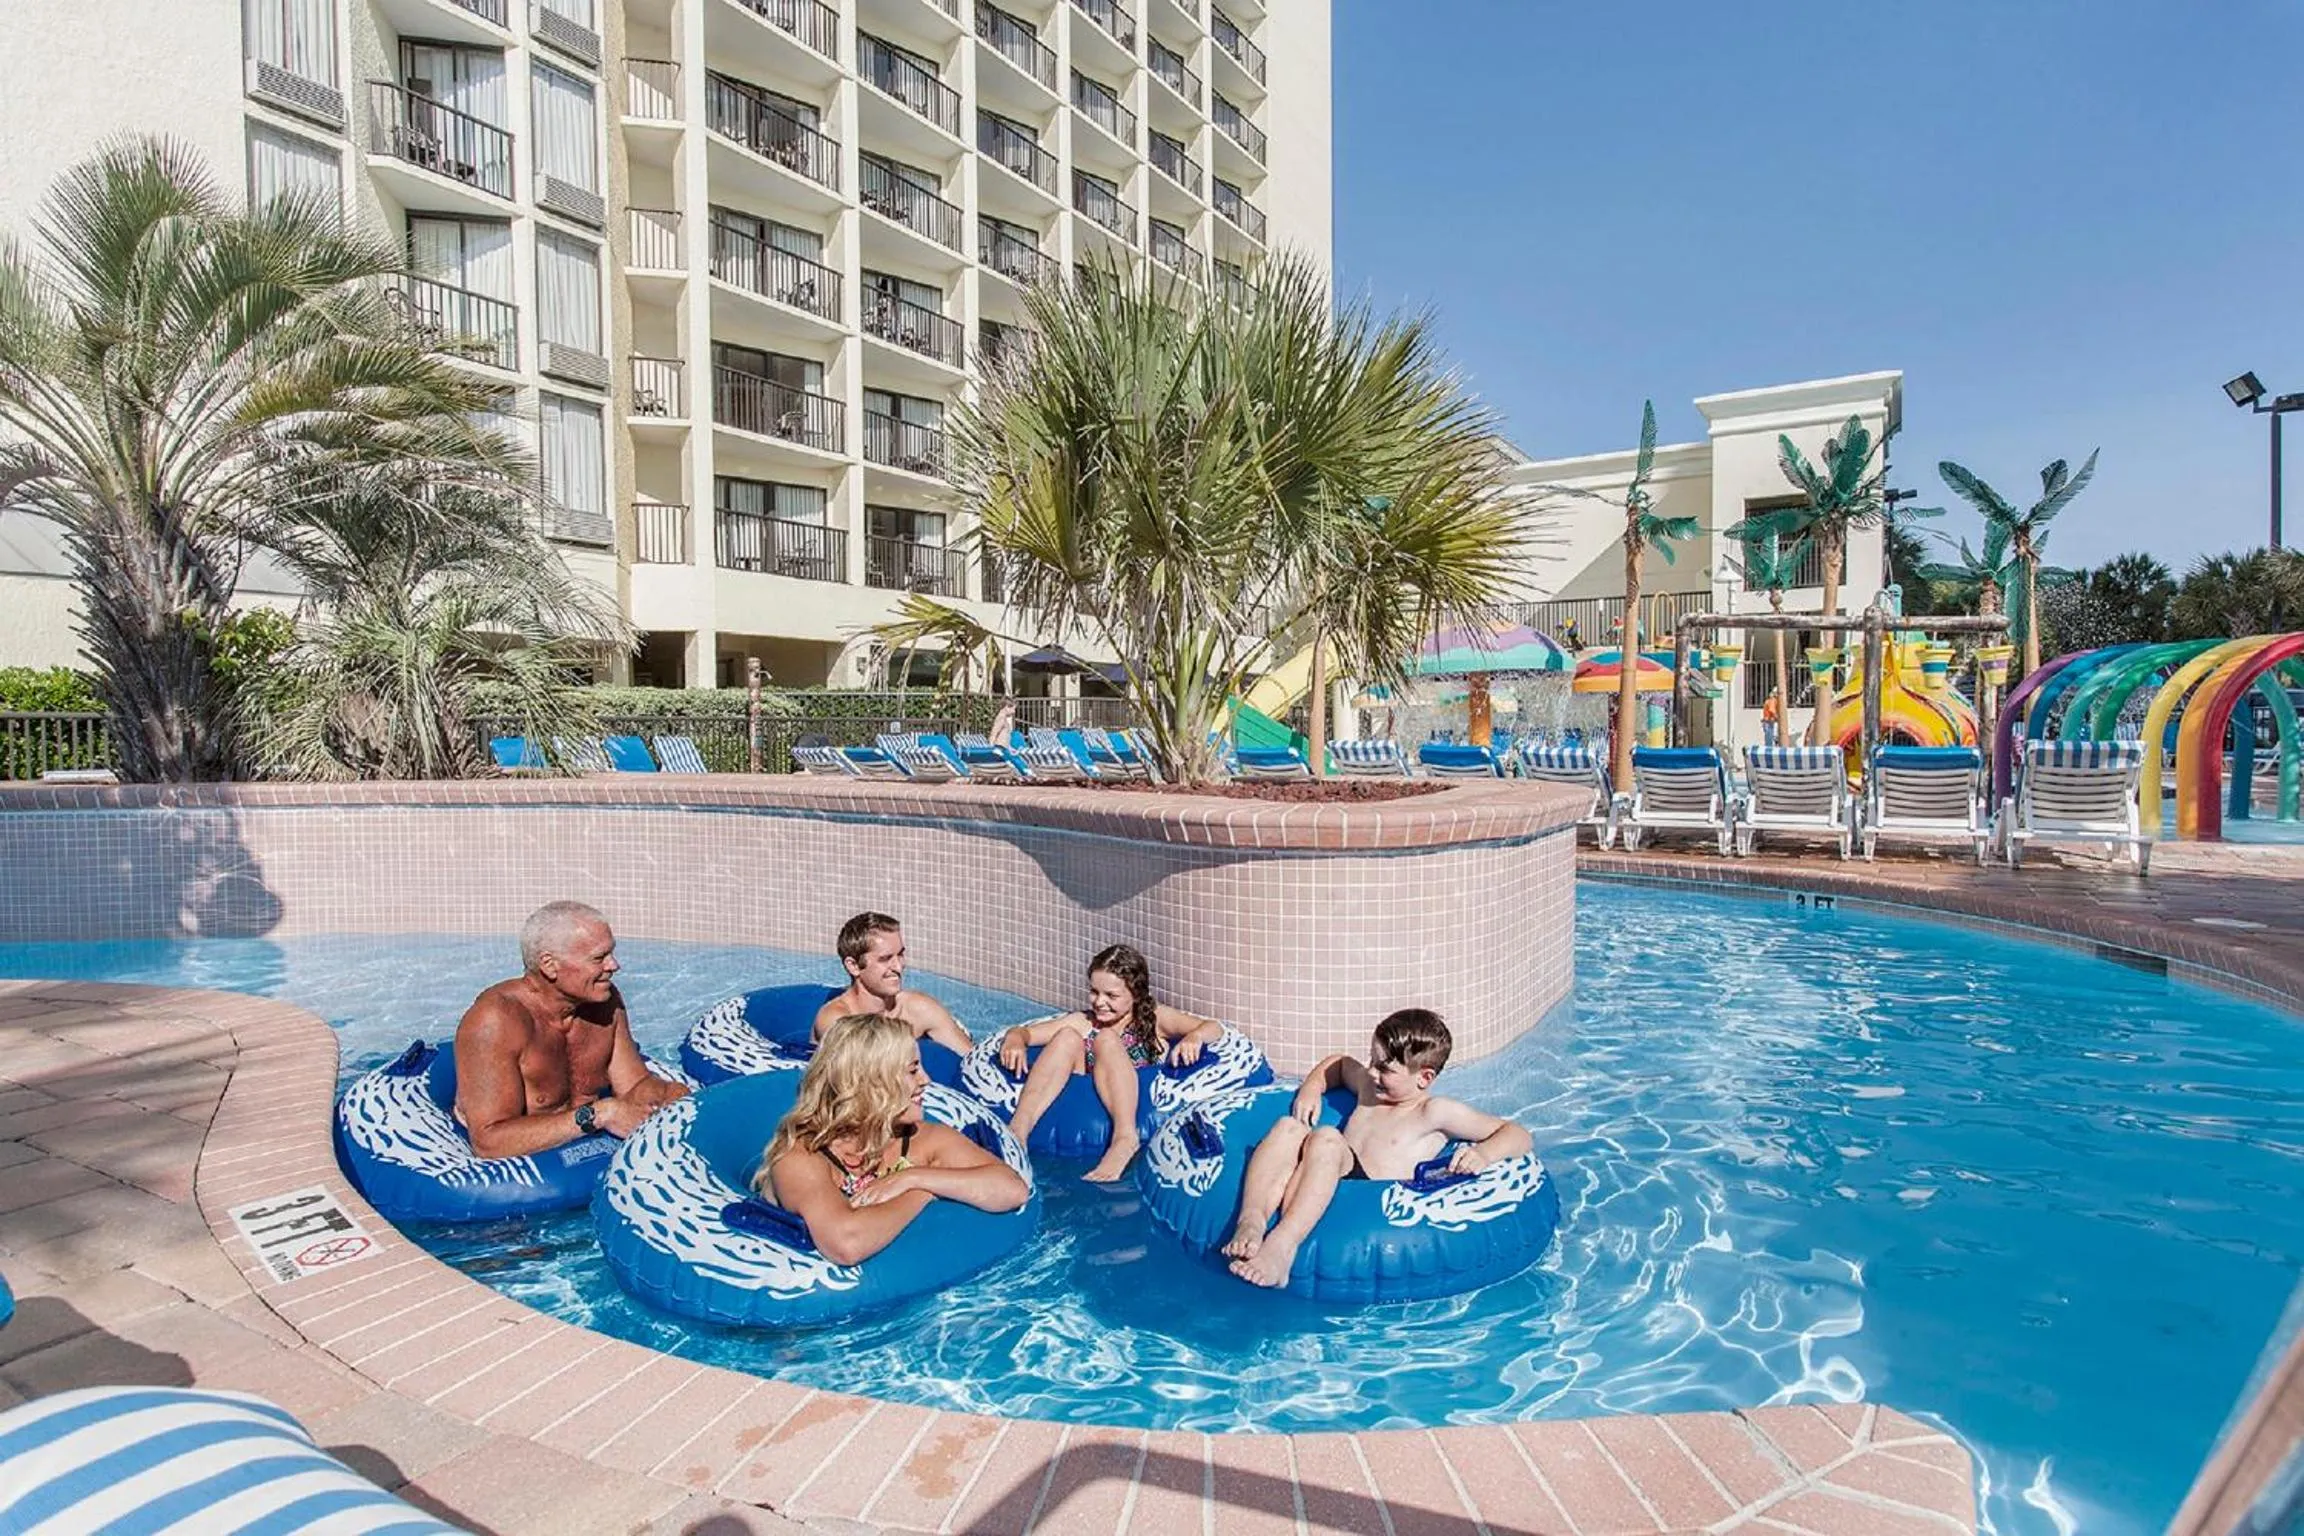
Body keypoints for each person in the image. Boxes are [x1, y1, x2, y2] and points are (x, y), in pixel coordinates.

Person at [1222, 1009, 1533, 1289]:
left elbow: (1517, 1134)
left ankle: (1282, 1247)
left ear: (1424, 1077)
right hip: (1329, 1165)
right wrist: (1312, 1087)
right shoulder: (1371, 1089)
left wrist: (1484, 1154)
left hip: (1366, 1195)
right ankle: (1251, 1220)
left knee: (1327, 1138)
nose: (1372, 1072)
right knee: (1288, 1127)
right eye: (1372, 1061)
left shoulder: (1435, 1112)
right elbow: (1340, 1063)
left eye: (1384, 1068)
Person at [754, 1014, 1029, 1265]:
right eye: (912, 1070)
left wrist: (913, 1179)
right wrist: (922, 1194)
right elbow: (846, 1243)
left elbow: (1012, 1189)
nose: (926, 1080)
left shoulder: (922, 1139)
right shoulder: (801, 1155)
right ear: (871, 1082)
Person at [453, 901, 689, 1159]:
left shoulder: (605, 1004)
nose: (614, 966)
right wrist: (601, 1114)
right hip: (526, 1173)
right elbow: (489, 1143)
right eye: (599, 958)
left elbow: (635, 1085)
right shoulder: (496, 1021)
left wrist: (668, 1094)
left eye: (610, 954)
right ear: (549, 965)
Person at [997, 944, 1220, 1182]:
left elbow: (1214, 1027)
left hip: (1137, 1101)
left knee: (1106, 1039)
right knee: (1066, 1036)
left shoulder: (1155, 1019)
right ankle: (1019, 1129)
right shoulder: (1084, 1022)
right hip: (1083, 1099)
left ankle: (1125, 1138)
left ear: (1135, 994)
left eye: (1111, 996)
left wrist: (1194, 1038)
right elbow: (1025, 1033)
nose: (1100, 1002)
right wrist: (1015, 1038)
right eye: (1094, 992)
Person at [811, 913, 972, 1054]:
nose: (898, 966)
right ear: (853, 966)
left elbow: (972, 1061)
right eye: (885, 959)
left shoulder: (917, 1008)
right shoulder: (836, 1020)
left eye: (900, 955)